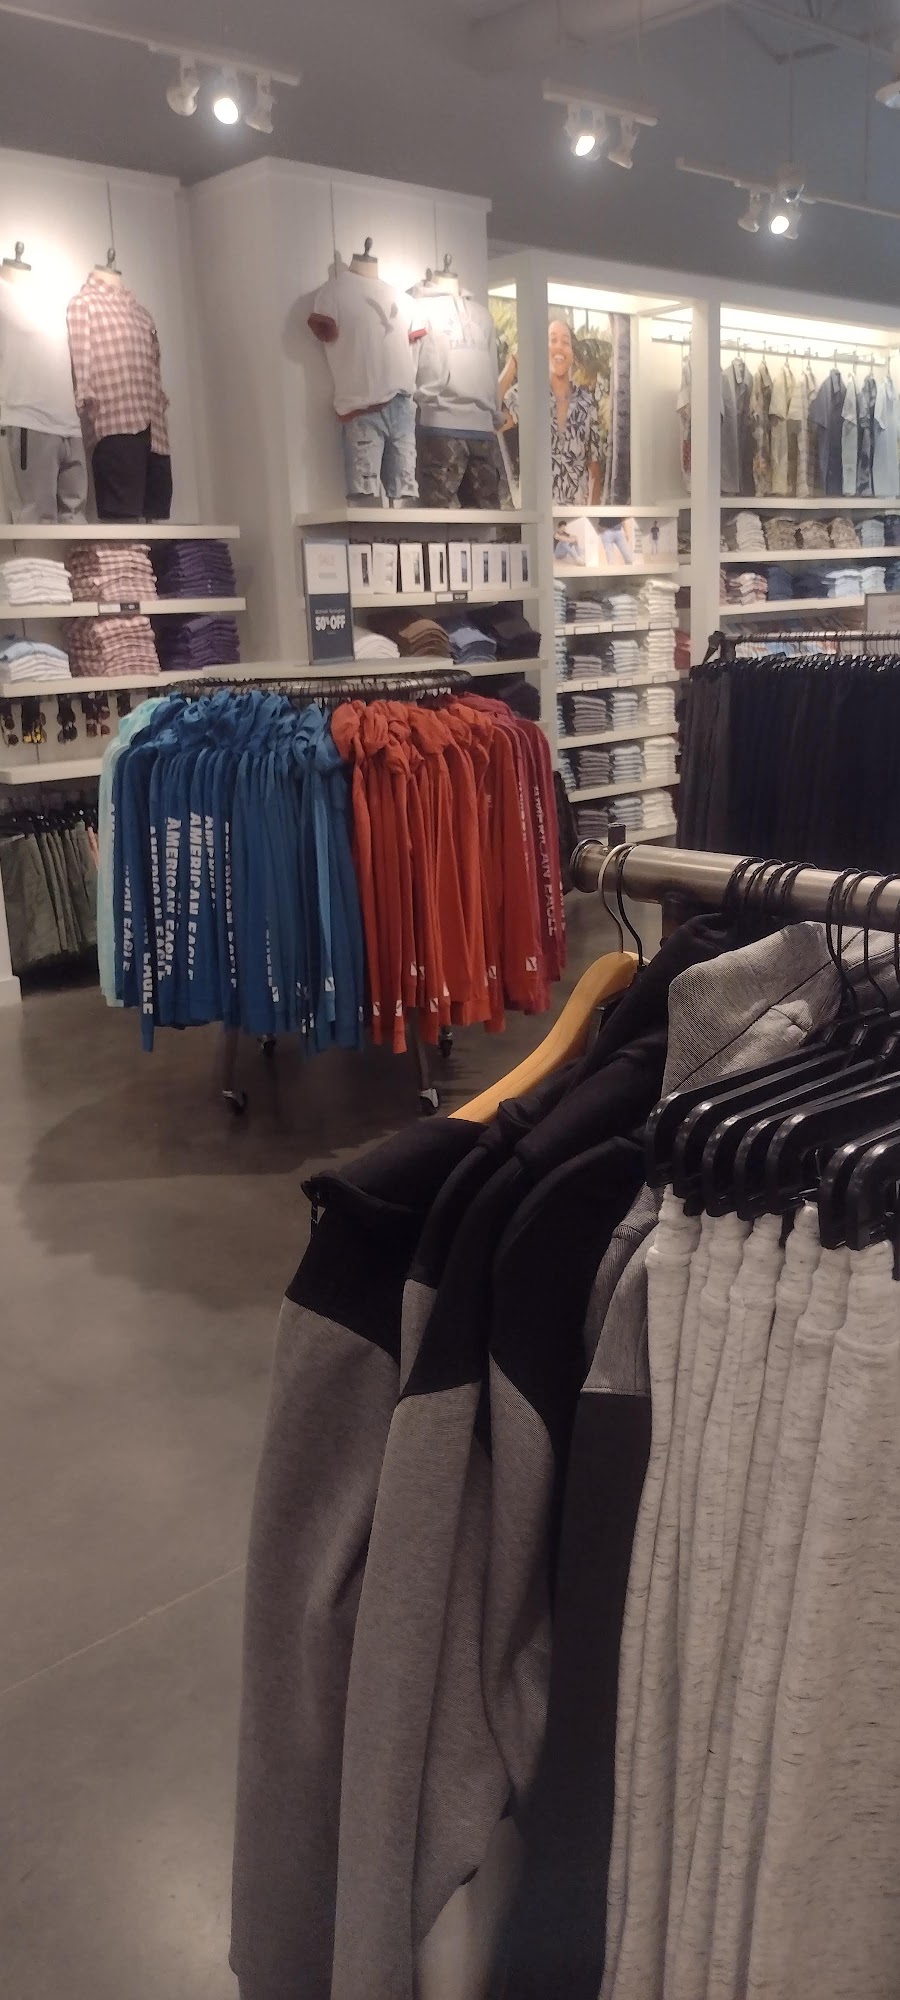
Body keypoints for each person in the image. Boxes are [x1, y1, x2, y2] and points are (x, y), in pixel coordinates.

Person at [548, 318, 602, 504]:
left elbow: (594, 472)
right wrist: (513, 363)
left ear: (572, 353)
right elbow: (492, 419)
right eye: (553, 340)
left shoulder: (586, 402)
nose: (559, 346)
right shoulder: (529, 396)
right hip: (538, 514)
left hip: (577, 514)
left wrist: (590, 517)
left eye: (565, 342)